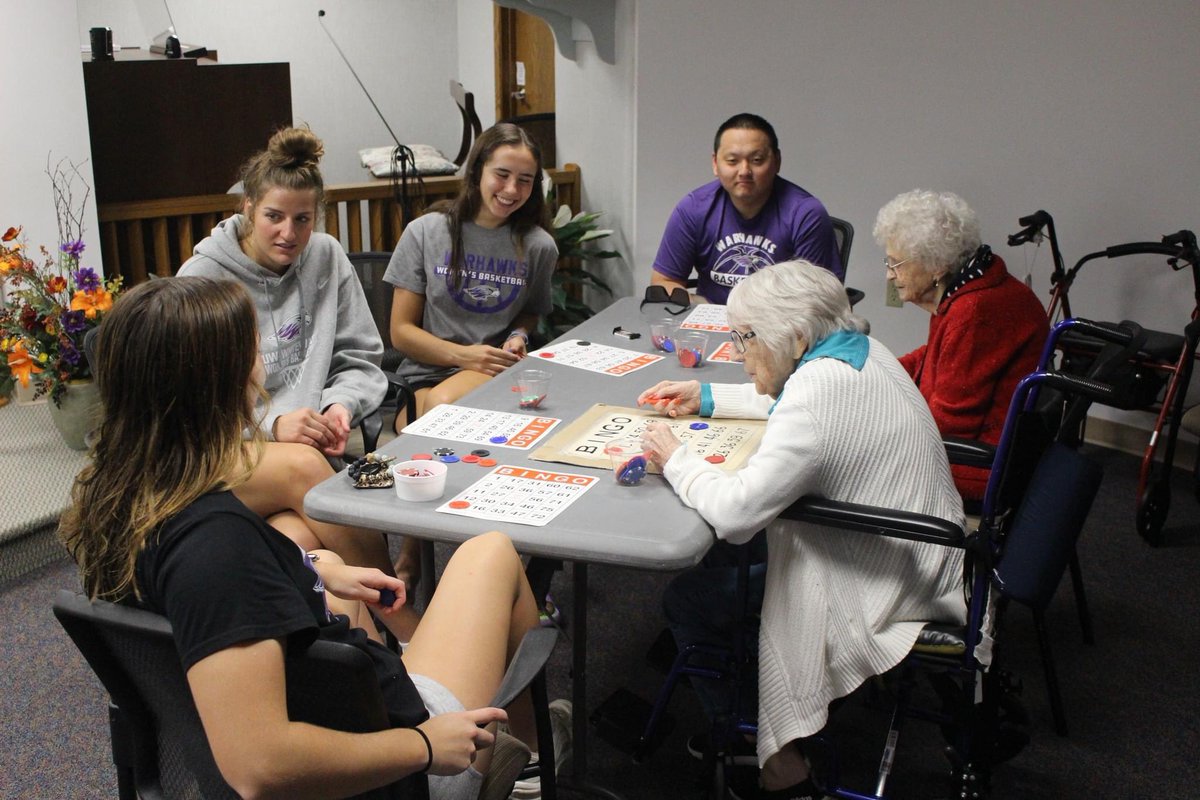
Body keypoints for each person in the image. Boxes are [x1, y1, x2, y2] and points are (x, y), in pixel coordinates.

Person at [59, 276, 565, 800]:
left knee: (312, 545)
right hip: (398, 768)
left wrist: (315, 570)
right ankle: (530, 761)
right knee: (491, 551)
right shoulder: (215, 550)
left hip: (325, 731)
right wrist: (425, 747)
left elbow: (202, 590)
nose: (260, 364)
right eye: (252, 350)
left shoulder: (119, 500)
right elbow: (258, 765)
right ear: (221, 383)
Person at [636, 260, 964, 800]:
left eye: (744, 339)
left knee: (691, 599)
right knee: (726, 564)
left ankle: (772, 759)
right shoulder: (860, 349)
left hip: (886, 580)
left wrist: (675, 459)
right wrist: (711, 398)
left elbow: (737, 515)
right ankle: (744, 678)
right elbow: (795, 401)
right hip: (927, 549)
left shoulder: (816, 395)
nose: (739, 354)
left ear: (793, 336)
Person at [177, 126, 407, 631]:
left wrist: (340, 407)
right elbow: (189, 404)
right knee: (304, 466)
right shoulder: (201, 280)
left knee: (298, 543)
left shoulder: (326, 257)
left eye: (303, 219)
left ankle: (371, 671)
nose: (289, 233)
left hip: (304, 459)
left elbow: (362, 359)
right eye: (274, 217)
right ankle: (409, 628)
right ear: (247, 209)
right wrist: (272, 427)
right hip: (222, 452)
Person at [873, 189, 1048, 504]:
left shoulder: (975, 311)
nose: (889, 274)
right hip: (977, 450)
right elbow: (935, 357)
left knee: (852, 459)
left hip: (978, 465)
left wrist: (876, 425)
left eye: (896, 263)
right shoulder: (969, 287)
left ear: (937, 265)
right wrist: (874, 370)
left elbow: (951, 426)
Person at [385, 122, 558, 421]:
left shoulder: (539, 246)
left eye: (525, 180)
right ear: (478, 171)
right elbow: (401, 332)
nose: (511, 189)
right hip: (424, 370)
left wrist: (518, 334)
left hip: (491, 369)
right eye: (502, 175)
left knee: (440, 411)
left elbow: (530, 312)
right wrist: (463, 355)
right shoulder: (425, 232)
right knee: (420, 428)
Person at [651, 113, 843, 305]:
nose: (744, 171)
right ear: (715, 163)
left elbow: (819, 302)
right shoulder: (693, 209)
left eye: (757, 160)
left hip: (780, 329)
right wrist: (705, 309)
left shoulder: (806, 214)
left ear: (777, 161)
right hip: (710, 325)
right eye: (732, 161)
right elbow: (664, 282)